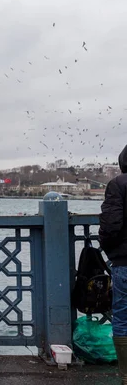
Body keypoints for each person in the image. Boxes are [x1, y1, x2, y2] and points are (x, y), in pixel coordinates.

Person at [99, 145, 127, 385]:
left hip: (125, 262)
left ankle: (126, 375)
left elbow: (111, 226)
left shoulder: (118, 185)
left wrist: (110, 249)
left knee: (122, 316)